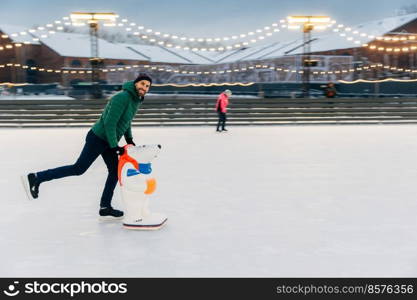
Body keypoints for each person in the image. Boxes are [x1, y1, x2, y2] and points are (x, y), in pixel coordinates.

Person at [22, 74, 153, 220]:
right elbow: (110, 123)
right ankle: (37, 177)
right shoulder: (122, 97)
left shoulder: (136, 101)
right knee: (78, 168)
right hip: (97, 138)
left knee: (115, 172)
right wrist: (115, 146)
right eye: (142, 84)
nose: (144, 88)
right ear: (135, 83)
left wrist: (129, 139)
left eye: (147, 86)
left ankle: (105, 207)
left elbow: (127, 121)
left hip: (109, 140)